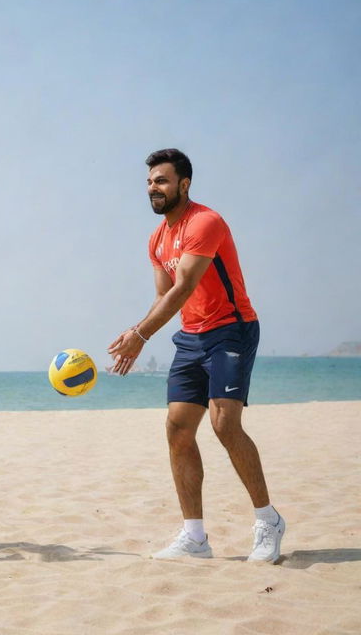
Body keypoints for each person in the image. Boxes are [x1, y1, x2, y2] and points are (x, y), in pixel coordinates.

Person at [108, 149, 285, 563]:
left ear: (184, 185)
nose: (153, 187)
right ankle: (195, 538)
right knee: (178, 429)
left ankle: (268, 521)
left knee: (225, 424)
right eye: (151, 181)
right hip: (192, 335)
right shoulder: (157, 239)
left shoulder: (205, 222)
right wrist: (137, 333)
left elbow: (185, 285)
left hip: (231, 329)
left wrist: (140, 335)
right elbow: (163, 296)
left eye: (162, 180)